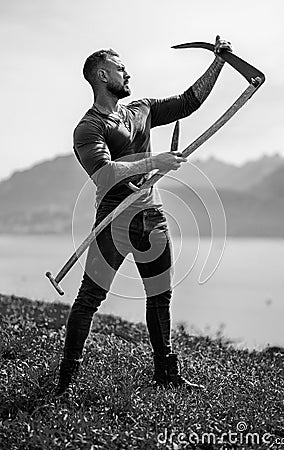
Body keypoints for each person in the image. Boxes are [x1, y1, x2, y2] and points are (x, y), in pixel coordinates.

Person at [55, 36, 232, 396]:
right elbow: (104, 175)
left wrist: (219, 61)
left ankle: (165, 372)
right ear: (103, 75)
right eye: (121, 68)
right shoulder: (88, 128)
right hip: (113, 221)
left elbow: (188, 102)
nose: (128, 73)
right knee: (90, 297)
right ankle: (65, 382)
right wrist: (156, 162)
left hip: (152, 217)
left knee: (160, 294)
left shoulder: (142, 110)